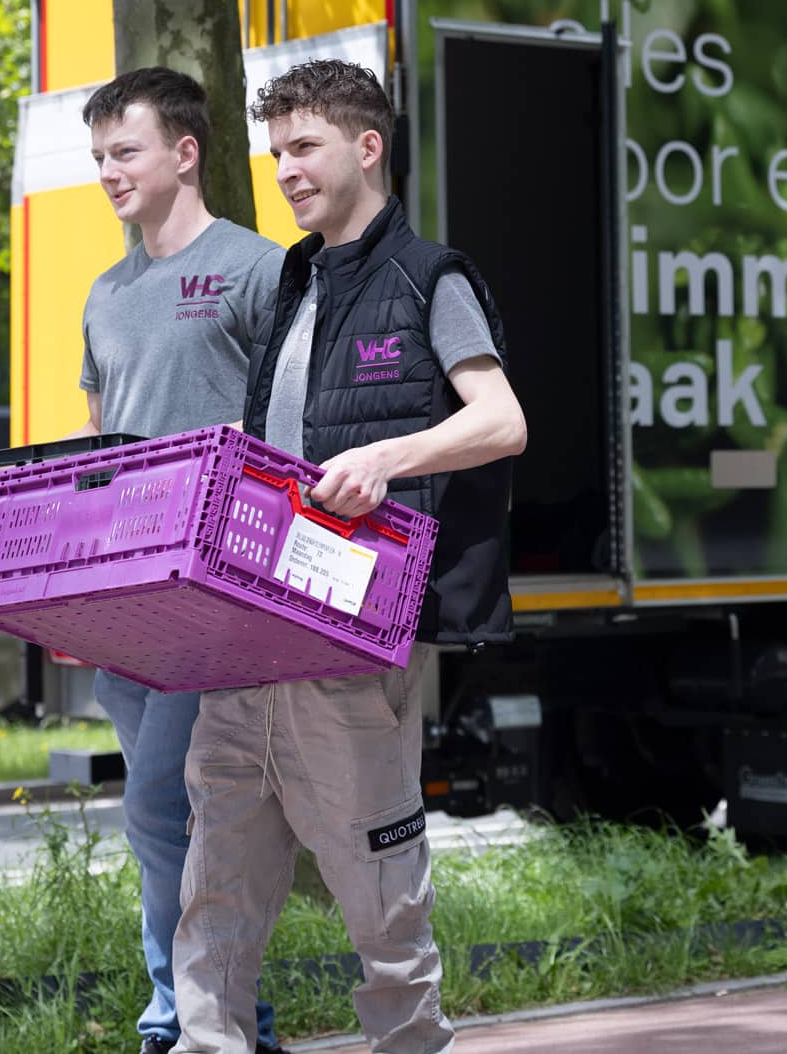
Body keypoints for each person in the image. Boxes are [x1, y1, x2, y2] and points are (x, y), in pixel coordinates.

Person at [167, 60, 527, 1053]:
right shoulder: (293, 278)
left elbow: (500, 421)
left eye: (304, 145)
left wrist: (382, 455)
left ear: (367, 146)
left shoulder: (431, 277)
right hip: (248, 632)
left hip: (355, 633)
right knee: (216, 890)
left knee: (379, 902)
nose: (284, 168)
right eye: (275, 150)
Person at [74, 66, 289, 1054]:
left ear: (184, 151)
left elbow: (291, 429)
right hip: (125, 592)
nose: (109, 172)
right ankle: (223, 1013)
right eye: (99, 157)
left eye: (125, 151)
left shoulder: (255, 268)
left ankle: (182, 1018)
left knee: (162, 794)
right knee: (164, 819)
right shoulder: (105, 293)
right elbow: (100, 432)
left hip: (217, 588)